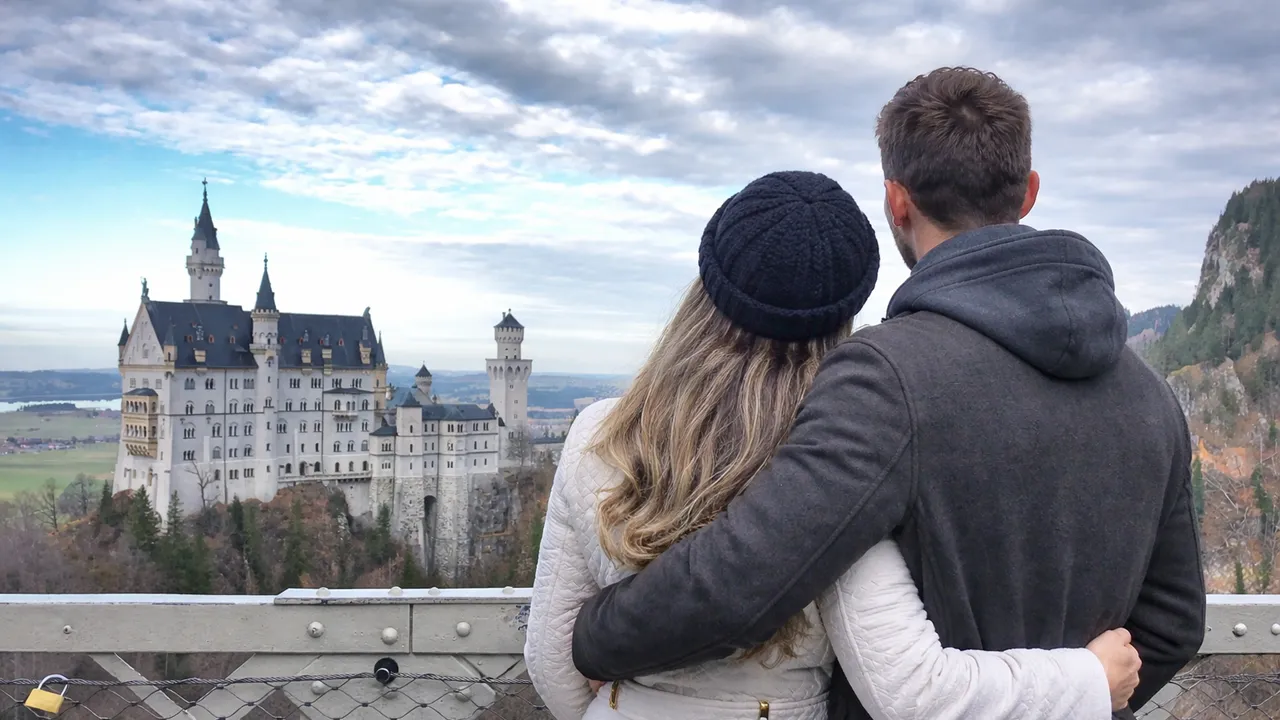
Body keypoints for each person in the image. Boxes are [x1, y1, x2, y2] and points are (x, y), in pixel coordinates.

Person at [567, 68, 1208, 720]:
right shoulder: (1153, 398)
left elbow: (744, 579)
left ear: (896, 203)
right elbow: (1175, 620)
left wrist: (594, 638)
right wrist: (1084, 694)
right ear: (1029, 192)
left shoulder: (886, 377)